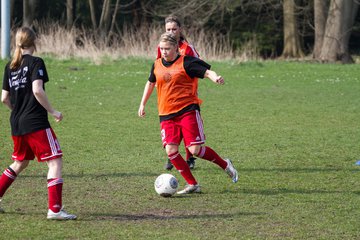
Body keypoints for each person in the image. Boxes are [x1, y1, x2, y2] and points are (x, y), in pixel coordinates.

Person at [138, 32, 239, 194]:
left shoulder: (187, 62)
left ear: (176, 48)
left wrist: (216, 77)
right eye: (161, 48)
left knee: (195, 150)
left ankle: (225, 164)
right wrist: (142, 104)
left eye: (167, 48)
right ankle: (193, 184)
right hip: (166, 114)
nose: (164, 51)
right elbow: (150, 83)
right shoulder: (156, 64)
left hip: (187, 111)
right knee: (171, 151)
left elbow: (206, 72)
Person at [0, 27, 77, 220]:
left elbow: (4, 99)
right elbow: (37, 90)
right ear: (34, 42)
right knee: (55, 161)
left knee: (20, 162)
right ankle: (55, 209)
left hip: (17, 123)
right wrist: (53, 111)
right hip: (35, 123)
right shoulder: (36, 62)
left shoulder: (10, 65)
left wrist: (19, 111)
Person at [157, 15, 199, 171]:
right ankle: (172, 157)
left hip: (186, 93)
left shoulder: (188, 48)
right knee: (171, 124)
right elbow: (159, 66)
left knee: (185, 126)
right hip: (167, 93)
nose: (171, 32)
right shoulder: (161, 46)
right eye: (168, 29)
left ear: (180, 30)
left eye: (174, 29)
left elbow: (198, 67)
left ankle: (190, 158)